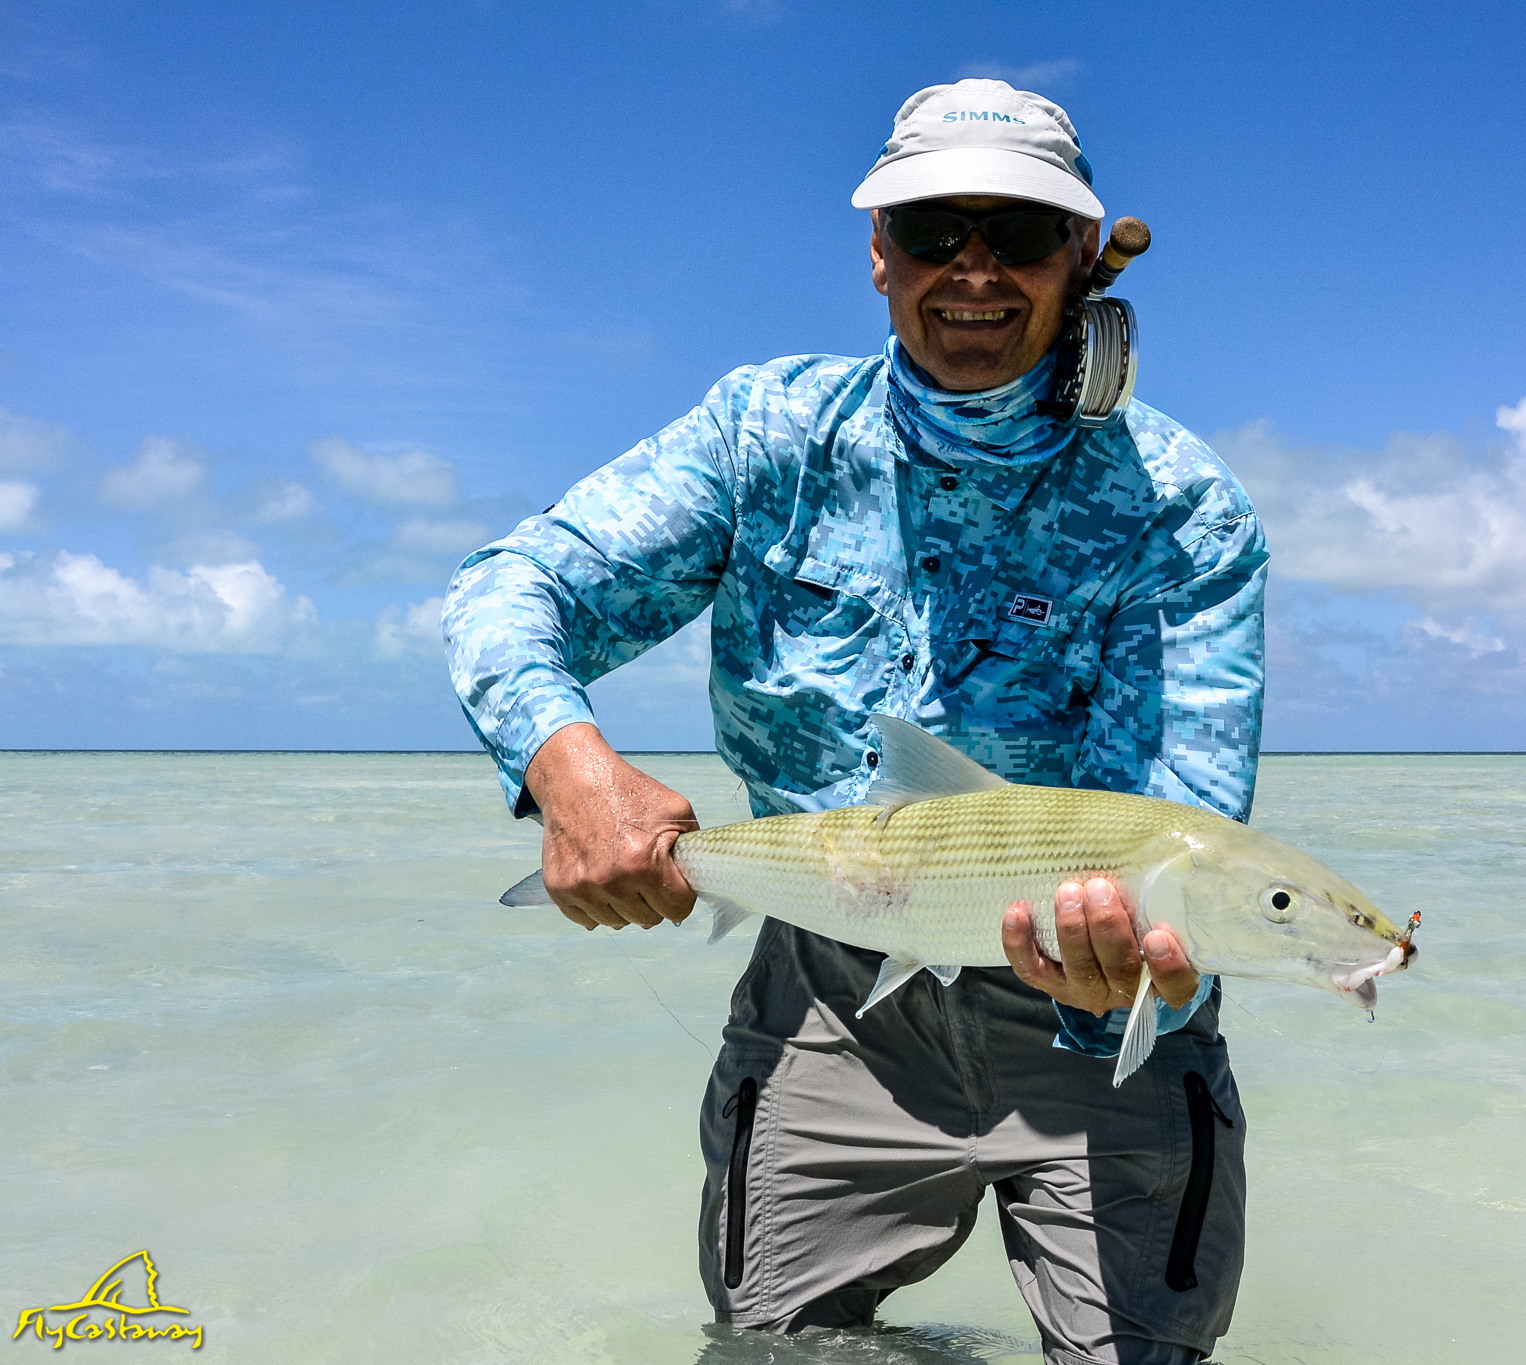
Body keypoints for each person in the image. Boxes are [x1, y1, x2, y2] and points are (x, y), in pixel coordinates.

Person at [443, 78, 1268, 1364]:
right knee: (778, 1353)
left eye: (1019, 233)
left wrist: (1129, 962)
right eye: (933, 231)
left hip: (1107, 1029)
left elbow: (1177, 829)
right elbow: (513, 589)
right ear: (879, 253)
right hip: (829, 1001)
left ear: (1080, 254)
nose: (973, 269)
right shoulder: (765, 437)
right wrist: (567, 765)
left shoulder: (1180, 507)